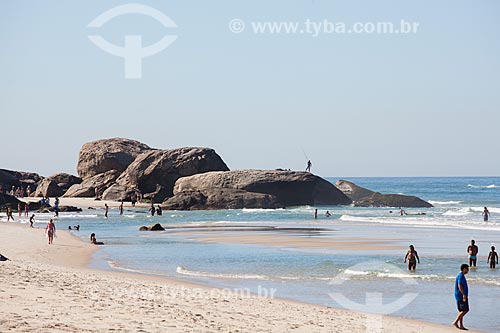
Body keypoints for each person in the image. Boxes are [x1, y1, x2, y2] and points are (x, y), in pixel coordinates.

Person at [453, 264, 470, 330]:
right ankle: (455, 322)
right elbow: (459, 285)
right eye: (467, 269)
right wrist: (464, 294)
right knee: (465, 310)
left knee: (461, 311)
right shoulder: (460, 276)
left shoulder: (461, 276)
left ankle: (461, 325)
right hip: (460, 296)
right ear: (464, 269)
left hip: (459, 295)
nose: (468, 270)